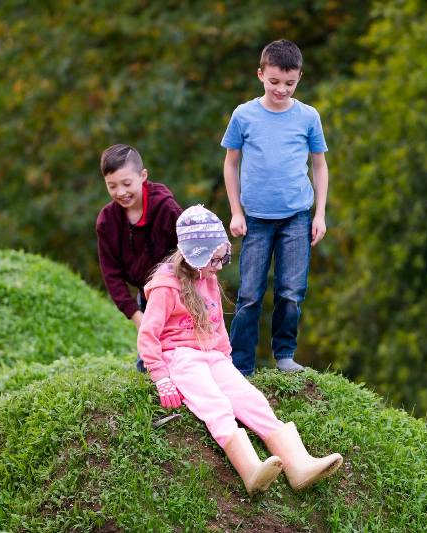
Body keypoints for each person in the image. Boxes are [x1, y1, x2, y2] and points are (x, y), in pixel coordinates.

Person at [137, 205, 342, 495]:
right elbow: (148, 335)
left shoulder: (207, 279)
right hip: (180, 357)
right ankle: (251, 470)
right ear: (196, 254)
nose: (220, 266)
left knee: (252, 399)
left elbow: (218, 327)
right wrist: (161, 377)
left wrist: (227, 364)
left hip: (212, 356)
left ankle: (298, 465)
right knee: (216, 404)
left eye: (225, 257)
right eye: (216, 258)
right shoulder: (165, 287)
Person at [221, 38, 329, 376]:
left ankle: (284, 355)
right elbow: (230, 163)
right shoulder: (244, 115)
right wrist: (236, 211)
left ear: (299, 78)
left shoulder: (308, 117)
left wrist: (320, 214)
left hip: (296, 217)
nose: (281, 89)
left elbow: (320, 166)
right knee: (250, 294)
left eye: (289, 83)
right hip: (255, 218)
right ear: (260, 75)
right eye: (274, 82)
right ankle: (241, 364)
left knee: (291, 291)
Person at [96, 144, 183, 372]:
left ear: (142, 176)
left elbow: (187, 249)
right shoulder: (106, 221)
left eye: (127, 184)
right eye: (112, 186)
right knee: (148, 357)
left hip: (178, 291)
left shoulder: (166, 208)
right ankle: (149, 389)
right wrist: (137, 316)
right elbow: (111, 274)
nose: (121, 192)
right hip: (146, 293)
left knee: (180, 350)